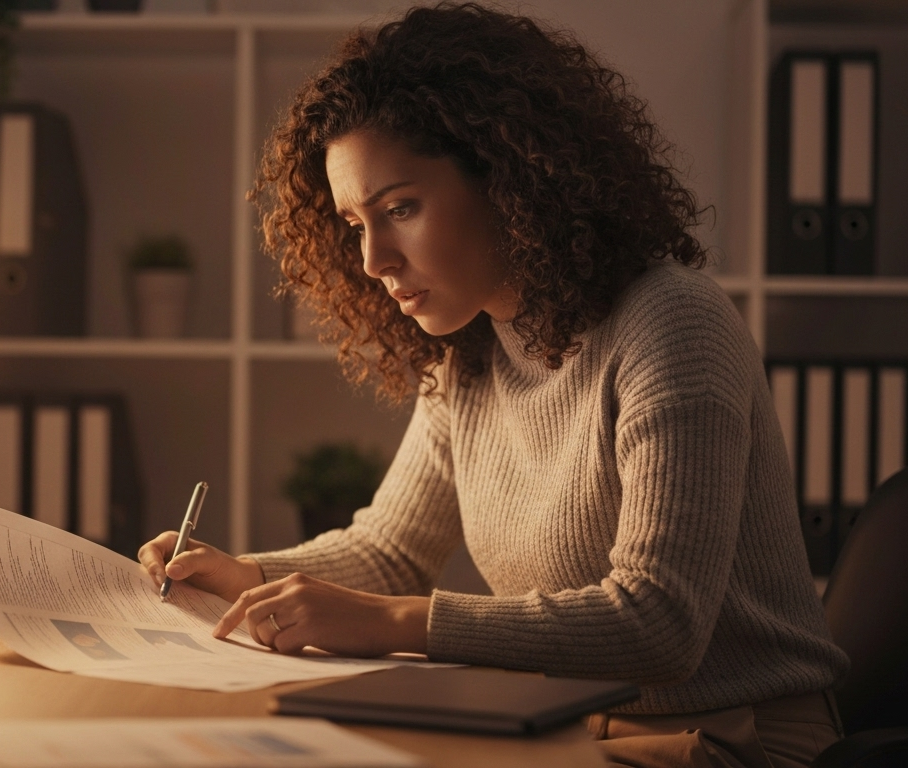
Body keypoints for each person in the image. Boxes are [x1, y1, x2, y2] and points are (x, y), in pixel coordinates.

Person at [137, 4, 848, 766]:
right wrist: (250, 576)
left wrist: (393, 623)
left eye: (400, 208)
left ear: (509, 178)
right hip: (570, 725)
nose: (373, 258)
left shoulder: (673, 323)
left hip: (735, 740)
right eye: (354, 224)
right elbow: (389, 551)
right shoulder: (471, 355)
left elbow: (661, 625)